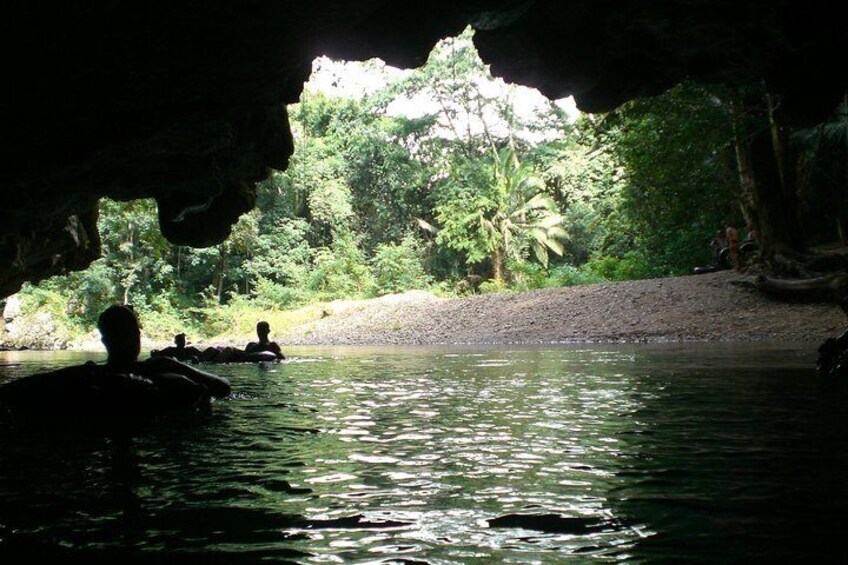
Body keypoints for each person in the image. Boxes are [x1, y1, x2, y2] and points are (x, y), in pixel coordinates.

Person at [98, 305, 231, 398]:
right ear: (137, 336)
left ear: (104, 341)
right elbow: (223, 387)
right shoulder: (160, 366)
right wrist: (174, 365)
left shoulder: (91, 374)